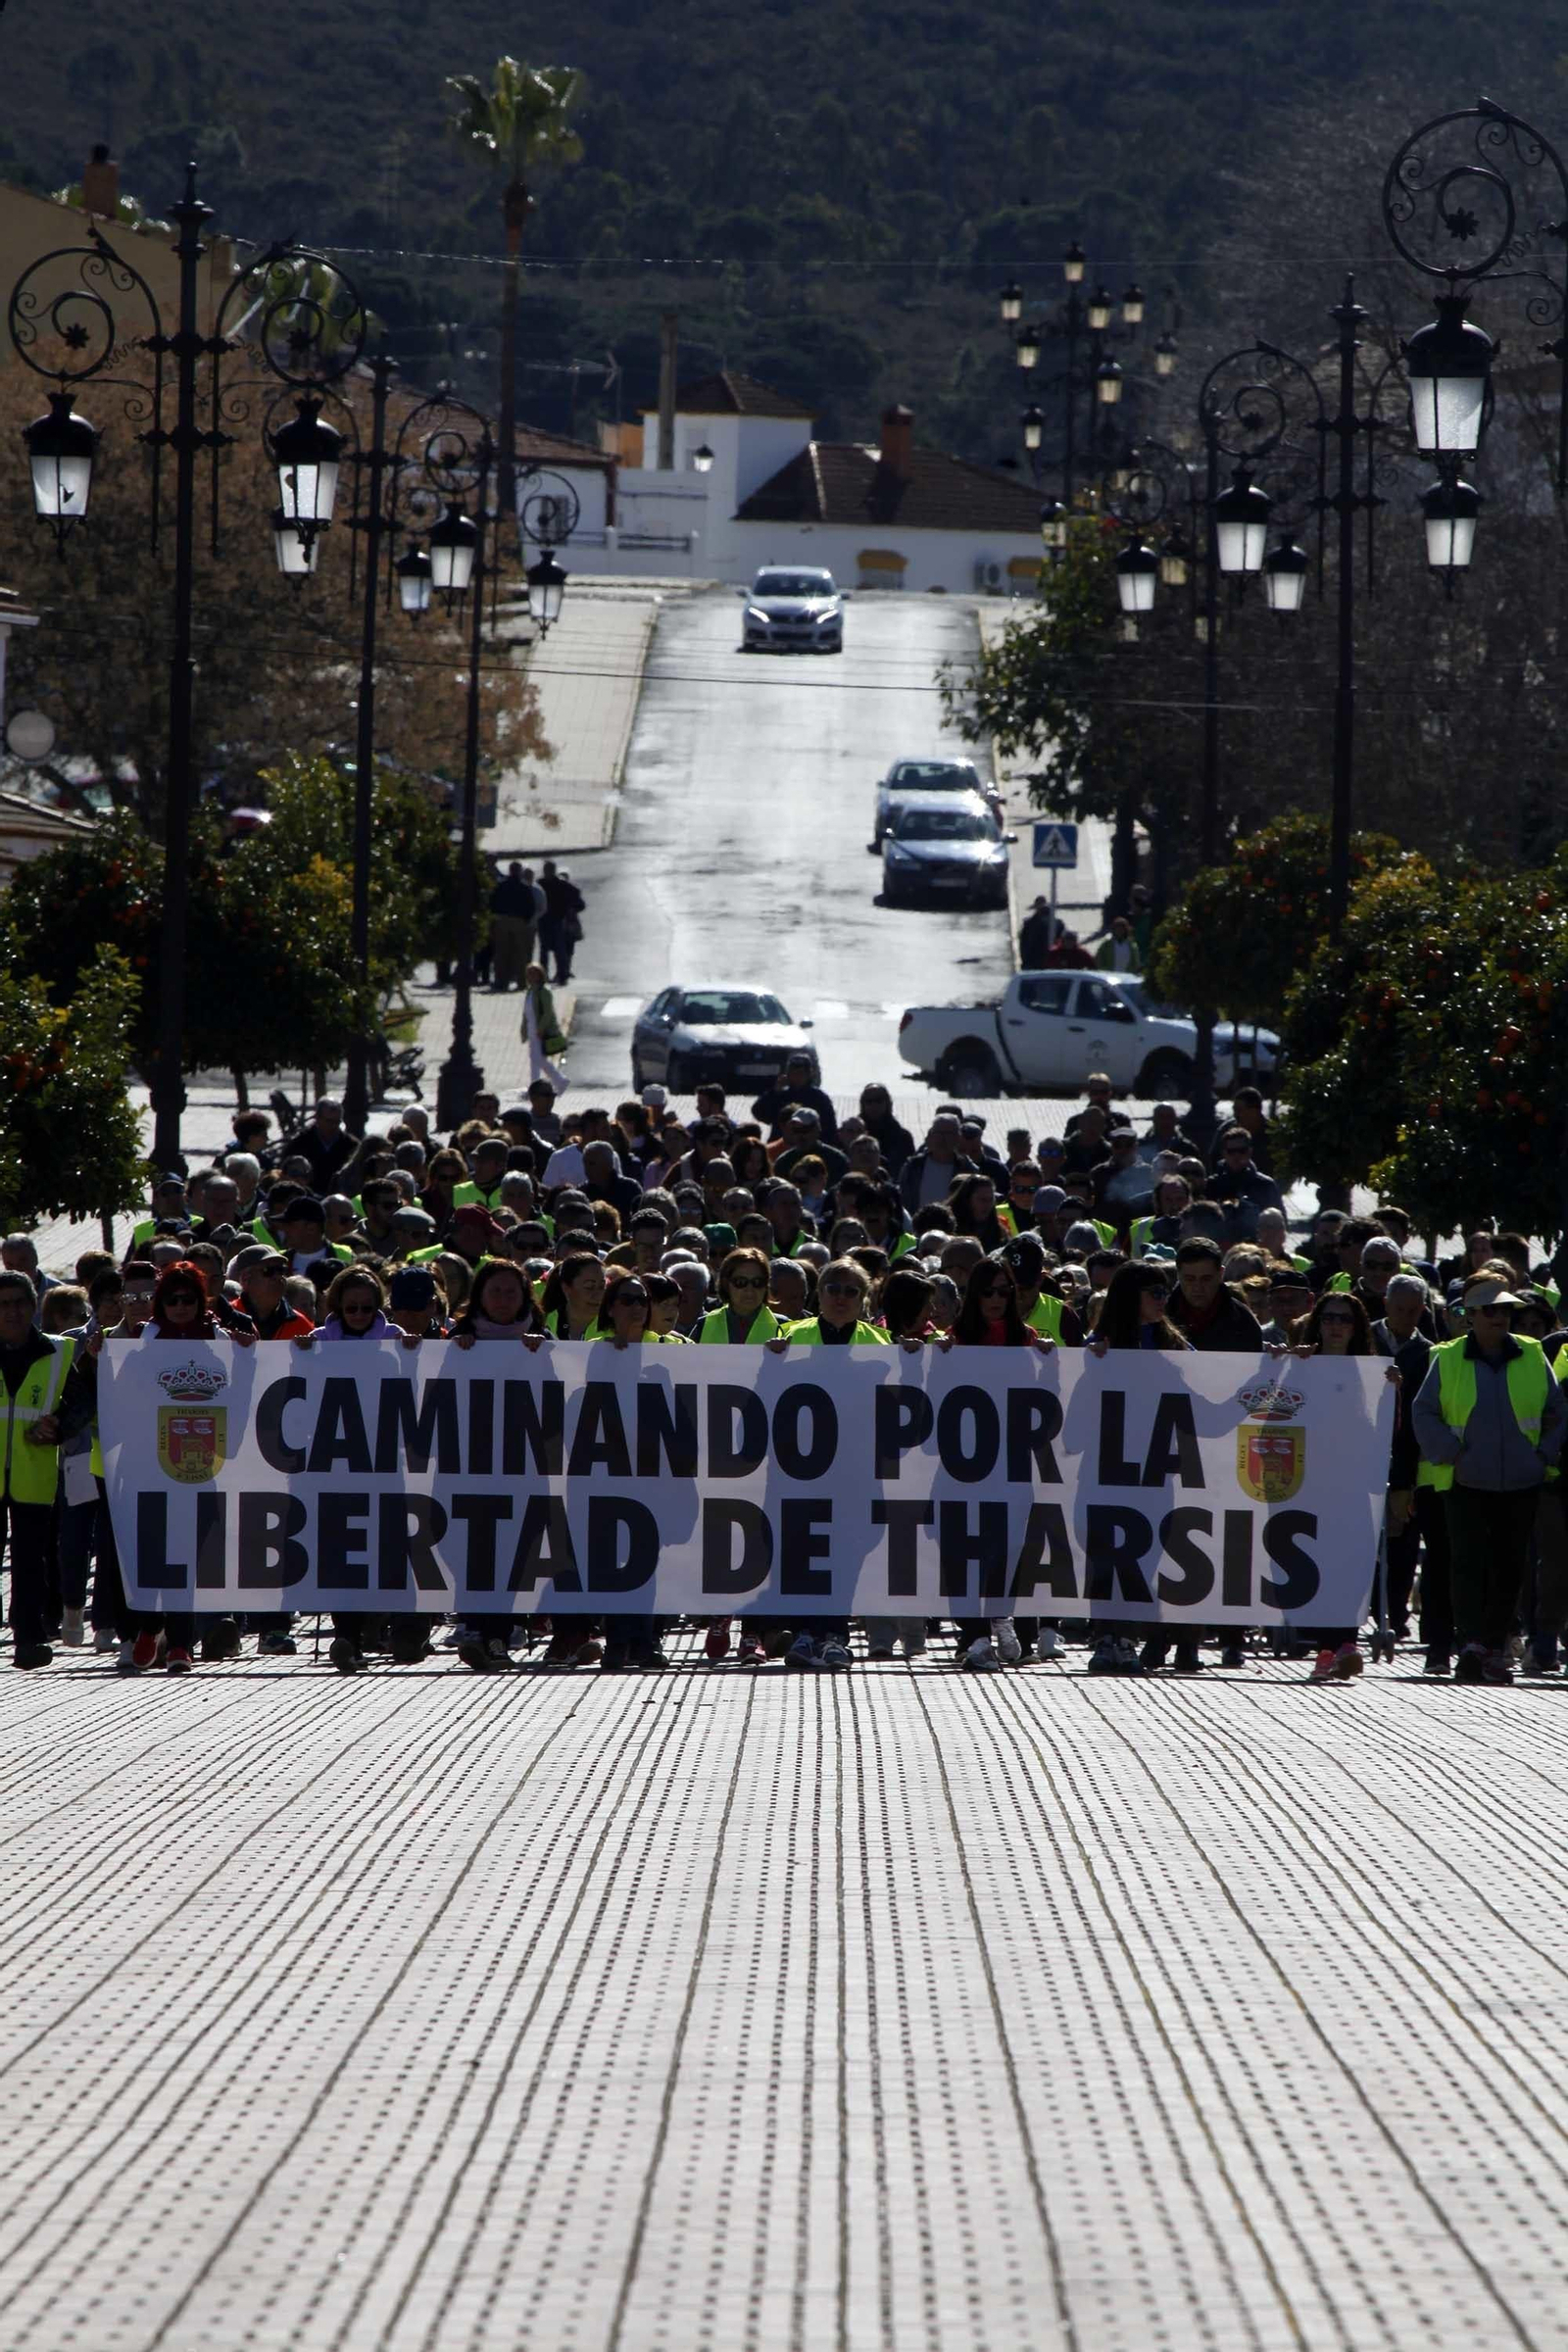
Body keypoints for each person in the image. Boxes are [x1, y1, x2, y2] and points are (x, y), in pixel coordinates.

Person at [1412, 1274, 1567, 1686]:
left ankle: (1495, 1647)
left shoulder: (1532, 1353)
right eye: (1490, 1310)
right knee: (1467, 1563)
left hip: (1521, 1481)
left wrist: (1541, 1456)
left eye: (1505, 1309)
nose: (1499, 1317)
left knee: (1509, 1566)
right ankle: (1471, 1645)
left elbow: (1557, 1410)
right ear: (1471, 1315)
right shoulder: (1447, 1357)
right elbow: (1423, 1411)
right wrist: (1451, 1453)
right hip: (1465, 1480)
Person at [942, 1256, 1057, 1671]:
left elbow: (1047, 1397)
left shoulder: (1027, 1339)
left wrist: (1049, 1359)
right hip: (963, 1463)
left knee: (1007, 1546)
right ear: (973, 1295)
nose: (996, 1299)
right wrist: (925, 1354)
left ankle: (1001, 1618)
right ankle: (974, 1635)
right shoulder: (953, 1340)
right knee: (964, 1548)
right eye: (987, 1291)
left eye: (1004, 1291)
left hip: (1011, 1462)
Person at [1084, 1260, 1196, 1674]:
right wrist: (1088, 1361)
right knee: (1104, 1556)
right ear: (1131, 1297)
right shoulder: (1099, 1345)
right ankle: (1104, 1637)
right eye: (1156, 1293)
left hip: (1154, 1470)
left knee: (1143, 1553)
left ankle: (1127, 1638)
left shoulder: (1175, 1347)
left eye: (1166, 1292)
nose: (1164, 1301)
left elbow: (1211, 1381)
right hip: (1104, 1468)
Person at [752, 1054, 839, 1144]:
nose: (796, 1077)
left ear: (809, 1075)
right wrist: (774, 1092)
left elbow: (830, 1129)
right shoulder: (780, 1095)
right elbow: (759, 1113)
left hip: (809, 1145)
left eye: (800, 1073)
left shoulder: (819, 1098)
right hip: (781, 1143)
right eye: (793, 1073)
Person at [488, 860, 544, 991]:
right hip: (519, 921)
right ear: (519, 872)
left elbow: (492, 902)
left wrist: (495, 920)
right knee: (520, 954)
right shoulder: (524, 887)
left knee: (501, 953)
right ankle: (521, 982)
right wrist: (526, 920)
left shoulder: (501, 886)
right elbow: (530, 906)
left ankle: (501, 981)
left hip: (501, 920)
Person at [521, 963, 568, 1089]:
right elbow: (526, 1013)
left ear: (540, 975)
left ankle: (560, 1080)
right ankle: (535, 1085)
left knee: (538, 1059)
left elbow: (548, 1012)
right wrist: (523, 1030)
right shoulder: (530, 991)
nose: (530, 977)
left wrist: (540, 1028)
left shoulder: (544, 991)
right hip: (531, 1029)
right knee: (535, 1059)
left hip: (540, 1031)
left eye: (533, 974)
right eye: (528, 974)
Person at [1018, 896, 1055, 967]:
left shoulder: (1054, 922)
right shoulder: (1029, 923)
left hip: (1045, 958)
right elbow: (1024, 942)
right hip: (1033, 959)